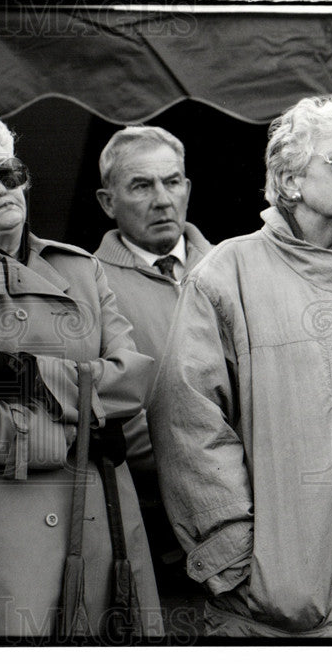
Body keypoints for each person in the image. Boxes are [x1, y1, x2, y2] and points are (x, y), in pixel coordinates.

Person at [149, 96, 332, 638]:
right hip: (273, 618)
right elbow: (187, 425)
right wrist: (237, 562)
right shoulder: (226, 274)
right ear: (290, 180)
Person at [0, 105, 163, 639]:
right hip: (2, 529)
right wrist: (71, 438)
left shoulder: (79, 268)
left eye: (9, 173)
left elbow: (133, 379)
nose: (1, 190)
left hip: (101, 516)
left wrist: (21, 376)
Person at [93, 126, 212, 629]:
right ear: (107, 201)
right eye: (142, 185)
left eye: (174, 181)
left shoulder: (233, 267)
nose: (163, 199)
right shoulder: (85, 281)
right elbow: (115, 407)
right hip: (157, 532)